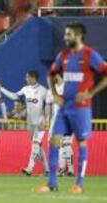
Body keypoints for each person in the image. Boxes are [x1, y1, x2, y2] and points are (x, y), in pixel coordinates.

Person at [33, 23, 107, 194]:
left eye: (69, 34)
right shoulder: (63, 55)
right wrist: (54, 94)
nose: (65, 37)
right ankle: (52, 183)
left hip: (81, 109)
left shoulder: (90, 55)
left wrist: (91, 93)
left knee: (81, 142)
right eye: (65, 34)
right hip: (64, 108)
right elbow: (51, 74)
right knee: (53, 140)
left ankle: (78, 183)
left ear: (79, 36)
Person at [0, 70, 49, 176]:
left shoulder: (43, 90)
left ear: (33, 78)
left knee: (35, 144)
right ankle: (46, 170)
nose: (26, 79)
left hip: (40, 122)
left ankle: (29, 168)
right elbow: (14, 96)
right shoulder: (25, 89)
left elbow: (48, 106)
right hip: (30, 123)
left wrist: (47, 120)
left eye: (27, 77)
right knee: (37, 146)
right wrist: (1, 88)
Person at [45, 74, 74, 177]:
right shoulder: (50, 91)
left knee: (66, 144)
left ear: (57, 75)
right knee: (57, 144)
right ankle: (63, 169)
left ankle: (69, 169)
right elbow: (48, 105)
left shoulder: (68, 87)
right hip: (56, 121)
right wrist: (47, 120)